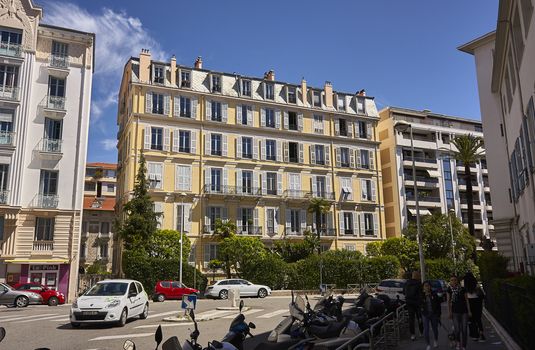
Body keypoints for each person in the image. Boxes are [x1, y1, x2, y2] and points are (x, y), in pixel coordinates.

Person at [448, 275, 471, 350]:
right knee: (457, 330)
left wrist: (469, 311)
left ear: (457, 281)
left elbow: (467, 300)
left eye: (454, 280)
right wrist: (449, 312)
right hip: (455, 312)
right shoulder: (449, 289)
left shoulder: (463, 289)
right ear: (450, 282)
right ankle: (458, 342)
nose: (453, 281)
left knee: (464, 330)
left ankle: (464, 346)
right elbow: (448, 302)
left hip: (464, 311)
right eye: (451, 280)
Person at [464, 272, 486, 342]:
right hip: (478, 303)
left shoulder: (465, 287)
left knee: (472, 320)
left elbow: (465, 298)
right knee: (478, 319)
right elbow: (483, 295)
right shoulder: (476, 285)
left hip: (469, 303)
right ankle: (482, 334)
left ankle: (475, 335)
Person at [421, 281, 441, 349]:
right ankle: (428, 344)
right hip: (425, 315)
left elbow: (438, 305)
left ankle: (435, 340)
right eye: (425, 286)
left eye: (428, 285)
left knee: (435, 329)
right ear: (423, 287)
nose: (427, 287)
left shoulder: (434, 294)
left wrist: (439, 315)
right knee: (426, 330)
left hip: (434, 314)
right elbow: (419, 305)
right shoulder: (421, 295)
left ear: (430, 286)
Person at [404, 270, 423, 340]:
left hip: (409, 303)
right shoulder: (419, 283)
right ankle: (421, 332)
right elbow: (421, 294)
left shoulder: (407, 282)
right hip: (417, 303)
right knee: (419, 318)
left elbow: (404, 292)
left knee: (411, 319)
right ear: (418, 276)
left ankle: (412, 334)